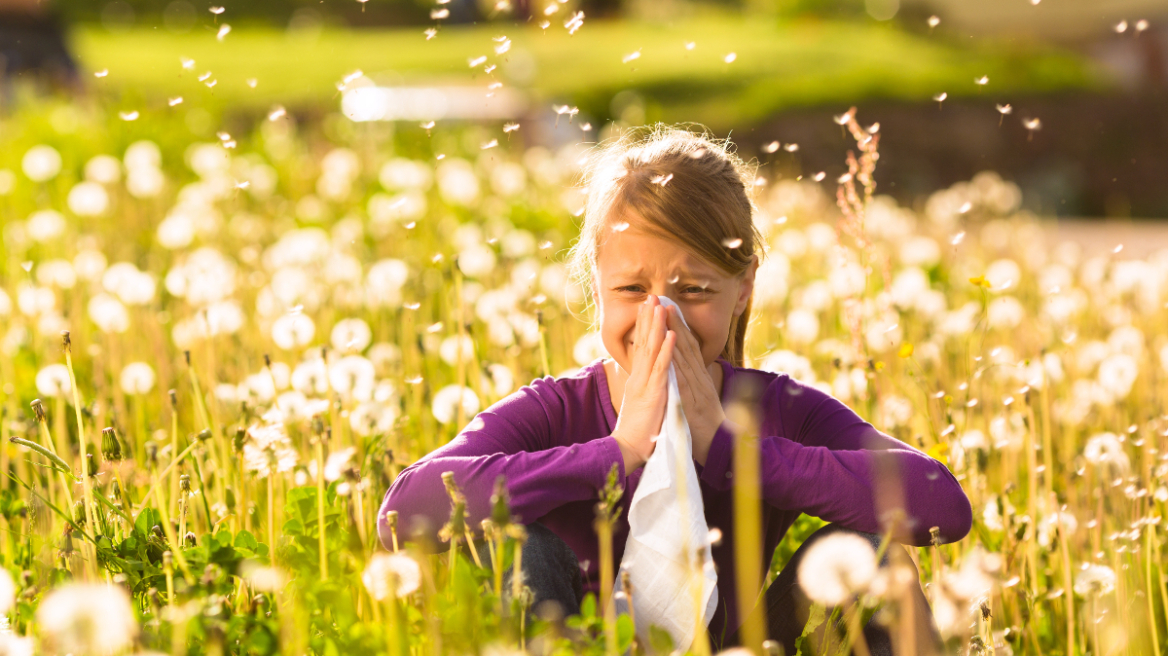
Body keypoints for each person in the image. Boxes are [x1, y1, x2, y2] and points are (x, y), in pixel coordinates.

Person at [377, 125, 972, 654]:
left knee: (875, 557)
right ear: (597, 288)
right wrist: (618, 453)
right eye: (632, 290)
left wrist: (735, 451)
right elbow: (404, 513)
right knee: (519, 550)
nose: (660, 317)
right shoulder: (556, 409)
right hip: (574, 645)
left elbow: (942, 505)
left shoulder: (774, 409)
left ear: (743, 289)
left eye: (692, 291)